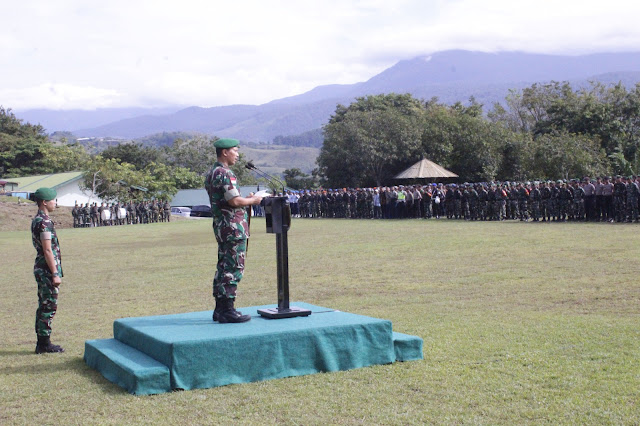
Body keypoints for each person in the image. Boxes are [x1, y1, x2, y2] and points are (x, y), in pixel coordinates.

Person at [204, 138, 264, 323]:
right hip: (233, 227)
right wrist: (253, 201)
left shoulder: (212, 173)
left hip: (223, 226)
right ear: (225, 152)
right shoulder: (225, 173)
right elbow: (234, 202)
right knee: (233, 267)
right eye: (235, 151)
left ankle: (220, 309)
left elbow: (230, 200)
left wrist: (244, 199)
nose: (237, 155)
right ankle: (227, 310)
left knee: (223, 266)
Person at [31, 188, 64, 354]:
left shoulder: (38, 219)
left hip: (42, 268)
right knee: (48, 306)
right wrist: (55, 273)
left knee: (44, 304)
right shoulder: (44, 222)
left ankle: (42, 341)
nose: (55, 203)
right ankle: (44, 344)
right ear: (44, 202)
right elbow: (47, 250)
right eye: (53, 200)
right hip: (47, 270)